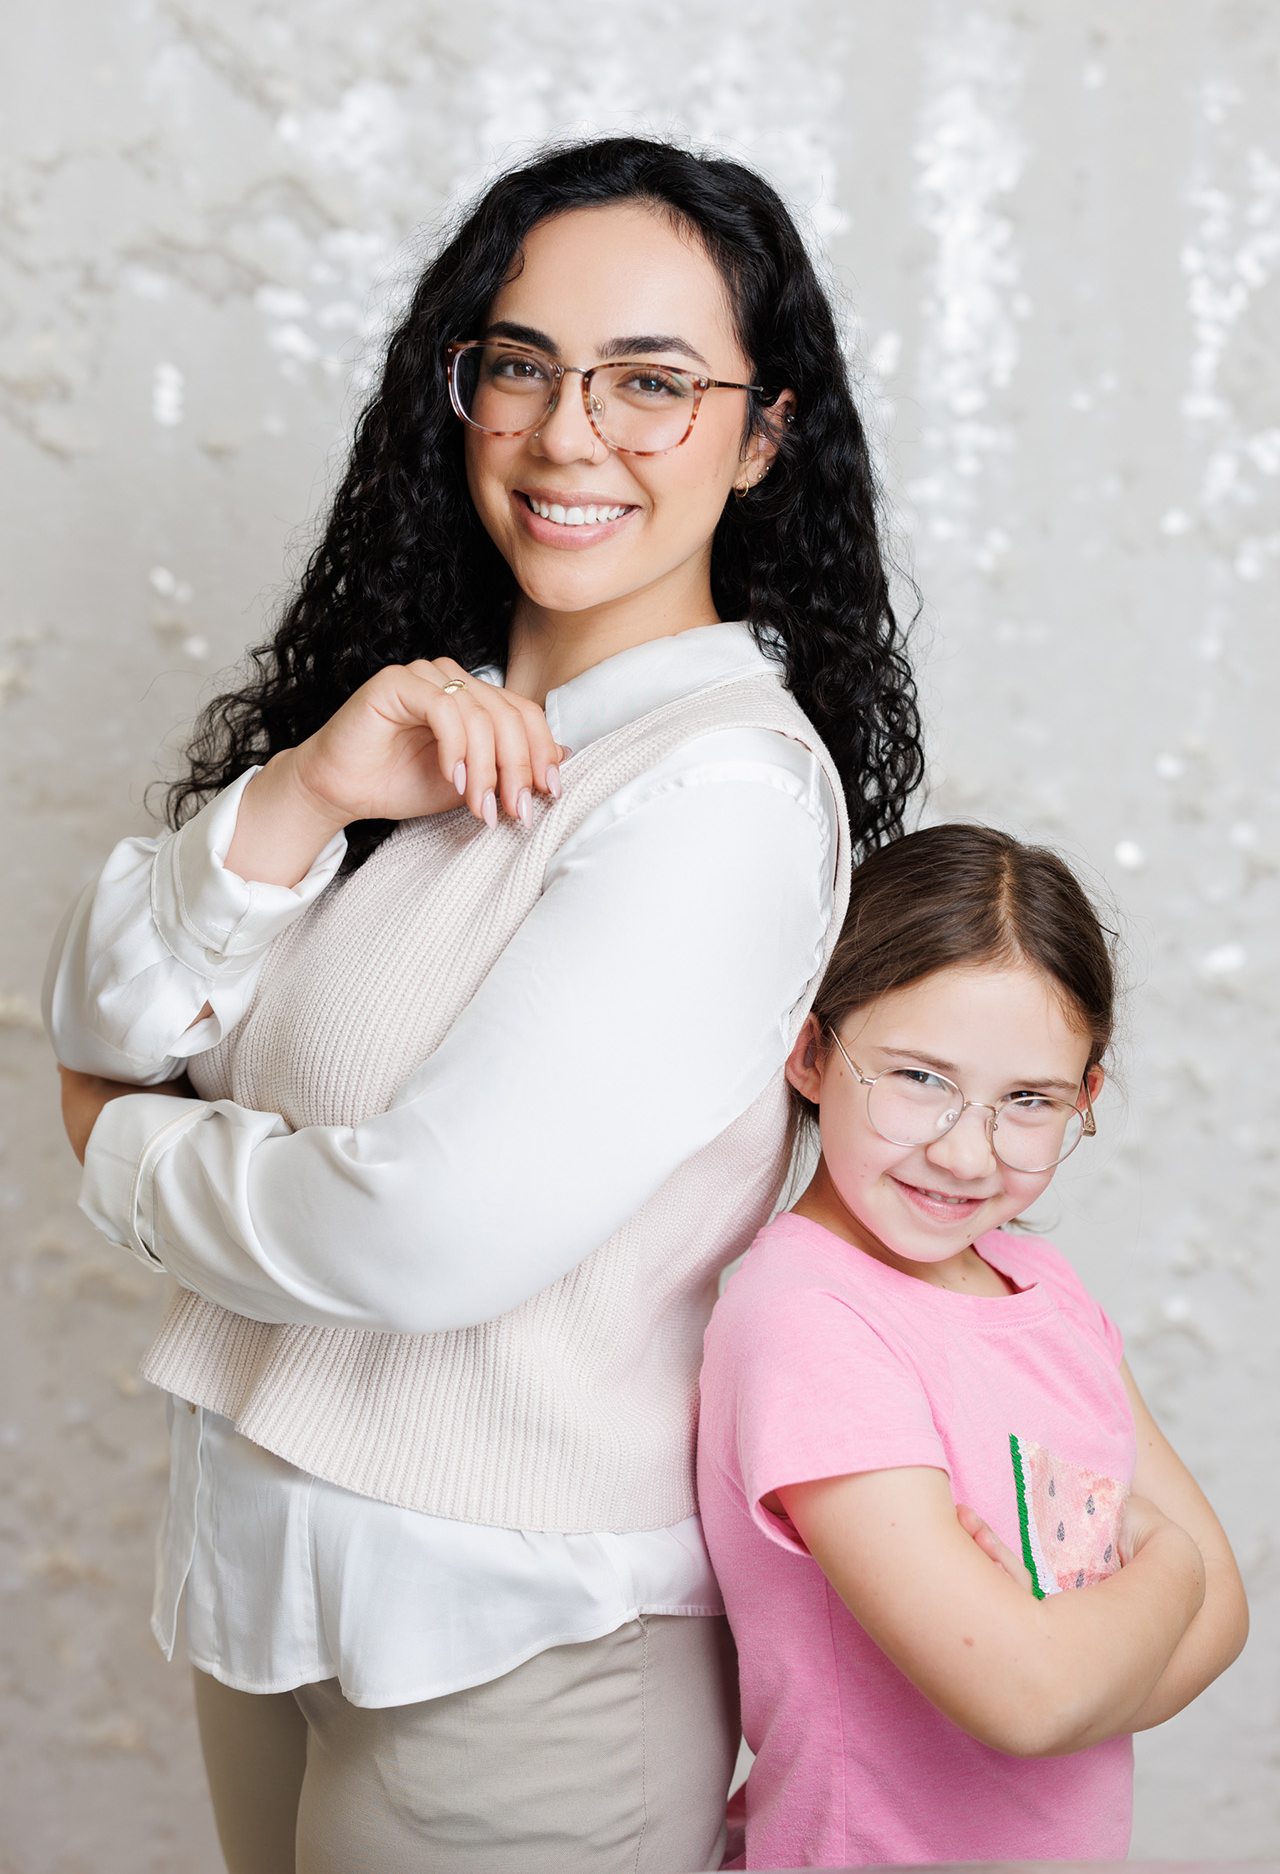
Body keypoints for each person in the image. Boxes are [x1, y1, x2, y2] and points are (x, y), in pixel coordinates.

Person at [43, 137, 923, 1874]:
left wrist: (121, 1151)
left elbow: (417, 1237)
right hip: (272, 1593)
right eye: (518, 363)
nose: (566, 431)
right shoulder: (415, 725)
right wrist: (304, 786)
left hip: (524, 1648)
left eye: (653, 383)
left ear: (764, 439)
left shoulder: (720, 799)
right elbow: (104, 1001)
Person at [698, 823, 1248, 1870]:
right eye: (916, 1078)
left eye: (1025, 1102)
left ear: (1083, 1100)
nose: (963, 1151)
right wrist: (1165, 1566)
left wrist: (1073, 1655)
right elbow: (1032, 1698)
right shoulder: (810, 1319)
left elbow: (1223, 1626)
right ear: (811, 1052)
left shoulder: (1042, 1289)